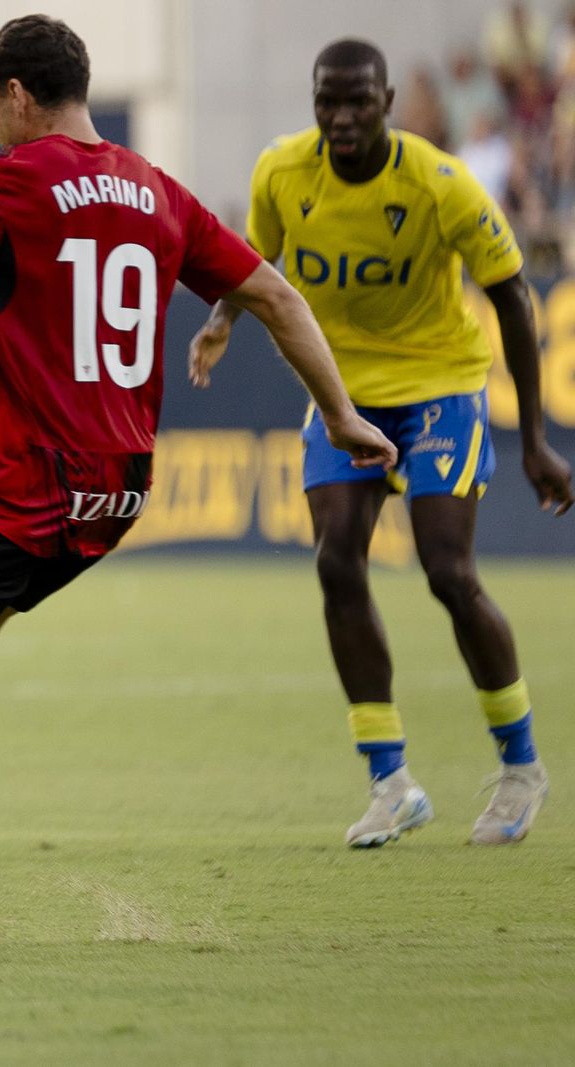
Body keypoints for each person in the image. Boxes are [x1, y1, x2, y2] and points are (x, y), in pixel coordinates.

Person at [0, 15, 395, 953]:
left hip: (23, 475)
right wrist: (343, 412)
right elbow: (276, 297)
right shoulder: (154, 190)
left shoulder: (6, 178)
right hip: (116, 492)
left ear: (20, 95)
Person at [190, 39, 572, 850]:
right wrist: (222, 319)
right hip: (343, 391)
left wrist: (535, 440)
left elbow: (514, 300)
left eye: (358, 101)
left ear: (389, 101)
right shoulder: (282, 172)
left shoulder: (439, 183)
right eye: (328, 101)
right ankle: (390, 780)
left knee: (447, 569)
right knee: (336, 560)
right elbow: (258, 261)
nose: (341, 117)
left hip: (440, 384)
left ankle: (521, 766)